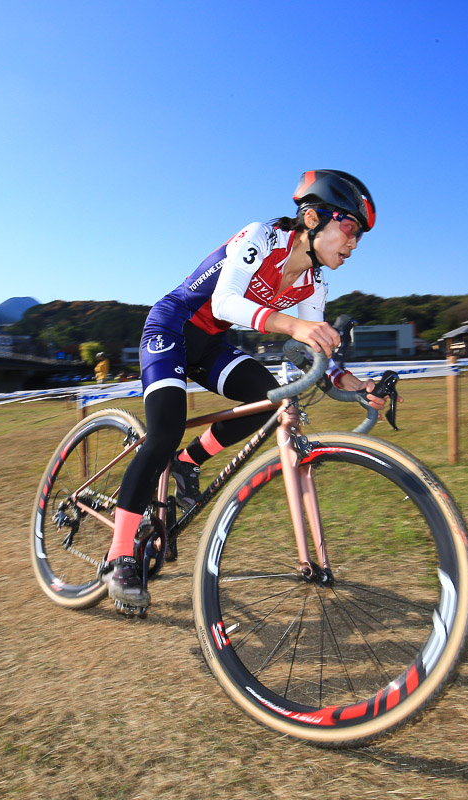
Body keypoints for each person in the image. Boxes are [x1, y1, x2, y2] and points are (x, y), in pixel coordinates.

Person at [102, 170, 389, 611]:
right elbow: (225, 303)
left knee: (268, 402)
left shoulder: (314, 284)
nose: (353, 244)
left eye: (359, 237)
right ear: (311, 218)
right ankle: (120, 554)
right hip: (171, 327)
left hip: (211, 345)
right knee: (165, 428)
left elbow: (310, 352)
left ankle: (187, 463)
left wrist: (355, 385)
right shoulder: (262, 238)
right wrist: (296, 324)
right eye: (349, 229)